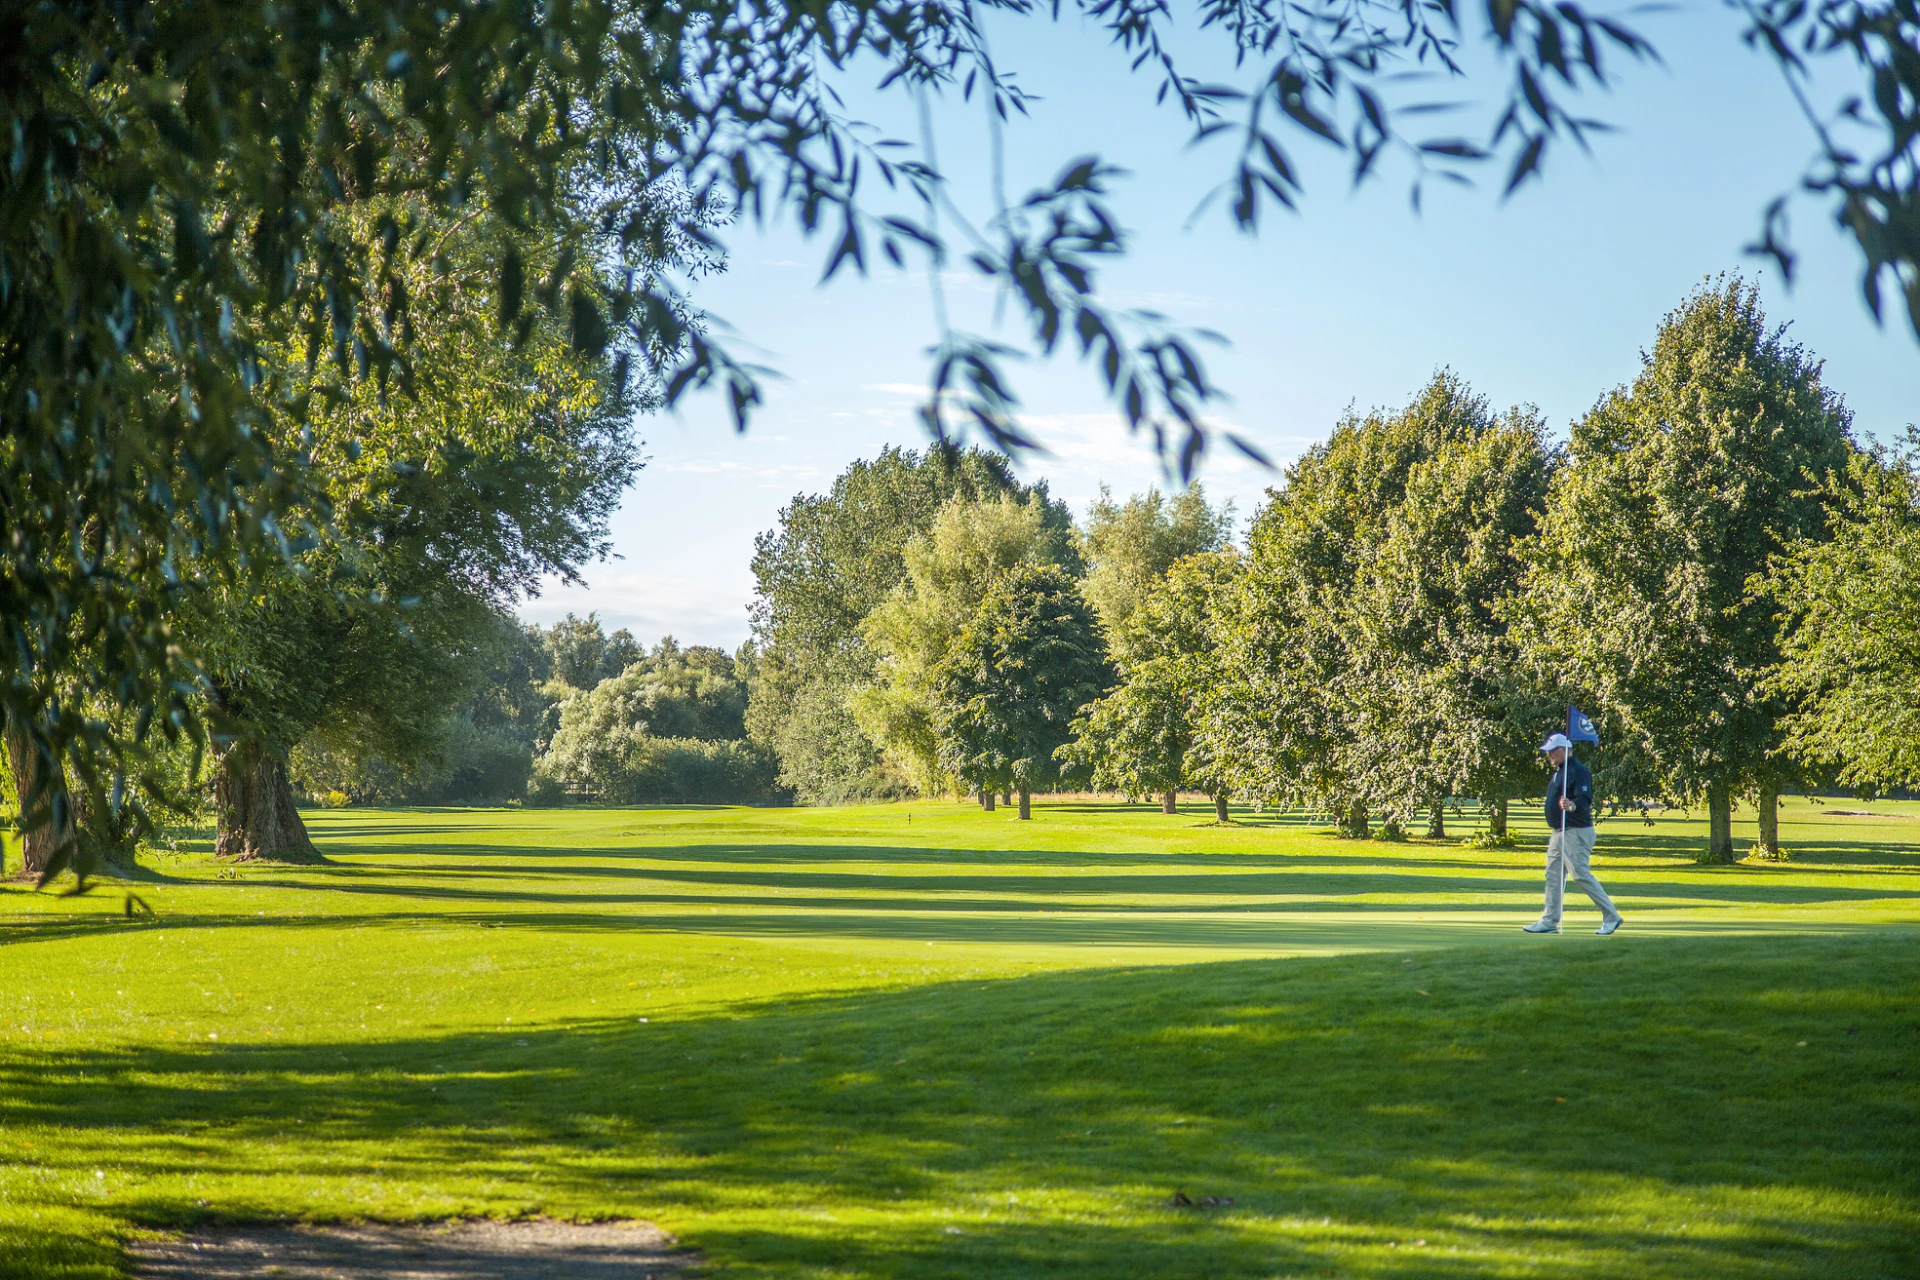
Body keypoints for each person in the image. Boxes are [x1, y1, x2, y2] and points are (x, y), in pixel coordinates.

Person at [1523, 732, 1623, 936]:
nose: (1549, 755)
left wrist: (1571, 805)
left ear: (1563, 750)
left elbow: (1585, 797)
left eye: (1552, 751)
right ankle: (1549, 920)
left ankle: (1611, 917)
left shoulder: (1578, 770)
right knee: (1553, 877)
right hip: (1559, 832)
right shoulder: (1560, 771)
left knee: (1580, 876)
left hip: (1575, 832)